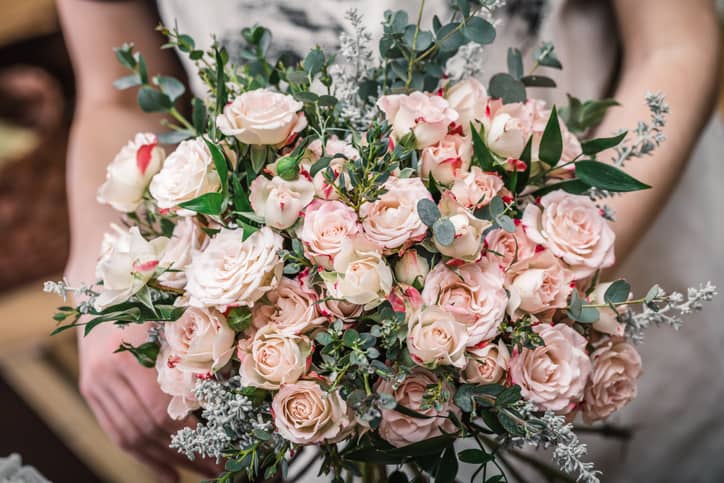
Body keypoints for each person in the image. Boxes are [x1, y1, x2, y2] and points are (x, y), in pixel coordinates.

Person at [58, 0, 722, 481]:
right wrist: (103, 287)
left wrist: (546, 286)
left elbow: (676, 38)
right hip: (309, 374)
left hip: (626, 295)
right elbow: (115, 98)